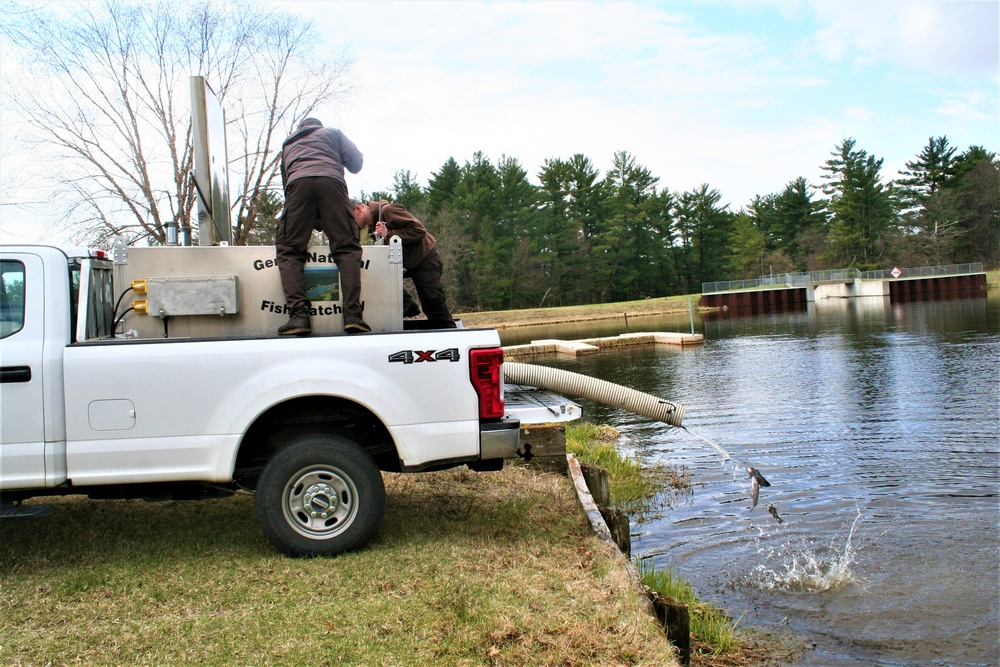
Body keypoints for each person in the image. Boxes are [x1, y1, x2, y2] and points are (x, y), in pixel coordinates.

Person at [276, 117, 369, 335]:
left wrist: (309, 215)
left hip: (297, 184)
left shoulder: (288, 143)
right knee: (346, 248)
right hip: (332, 183)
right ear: (319, 126)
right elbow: (356, 163)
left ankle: (299, 317)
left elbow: (286, 184)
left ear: (301, 129)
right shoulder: (333, 133)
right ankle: (353, 316)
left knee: (289, 250)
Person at [352, 199, 456, 328]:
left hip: (425, 259)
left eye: (351, 218)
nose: (352, 223)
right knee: (377, 277)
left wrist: (388, 234)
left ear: (358, 209)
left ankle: (449, 337)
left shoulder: (388, 210)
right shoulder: (372, 225)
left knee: (434, 306)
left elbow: (418, 231)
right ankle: (407, 305)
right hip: (406, 263)